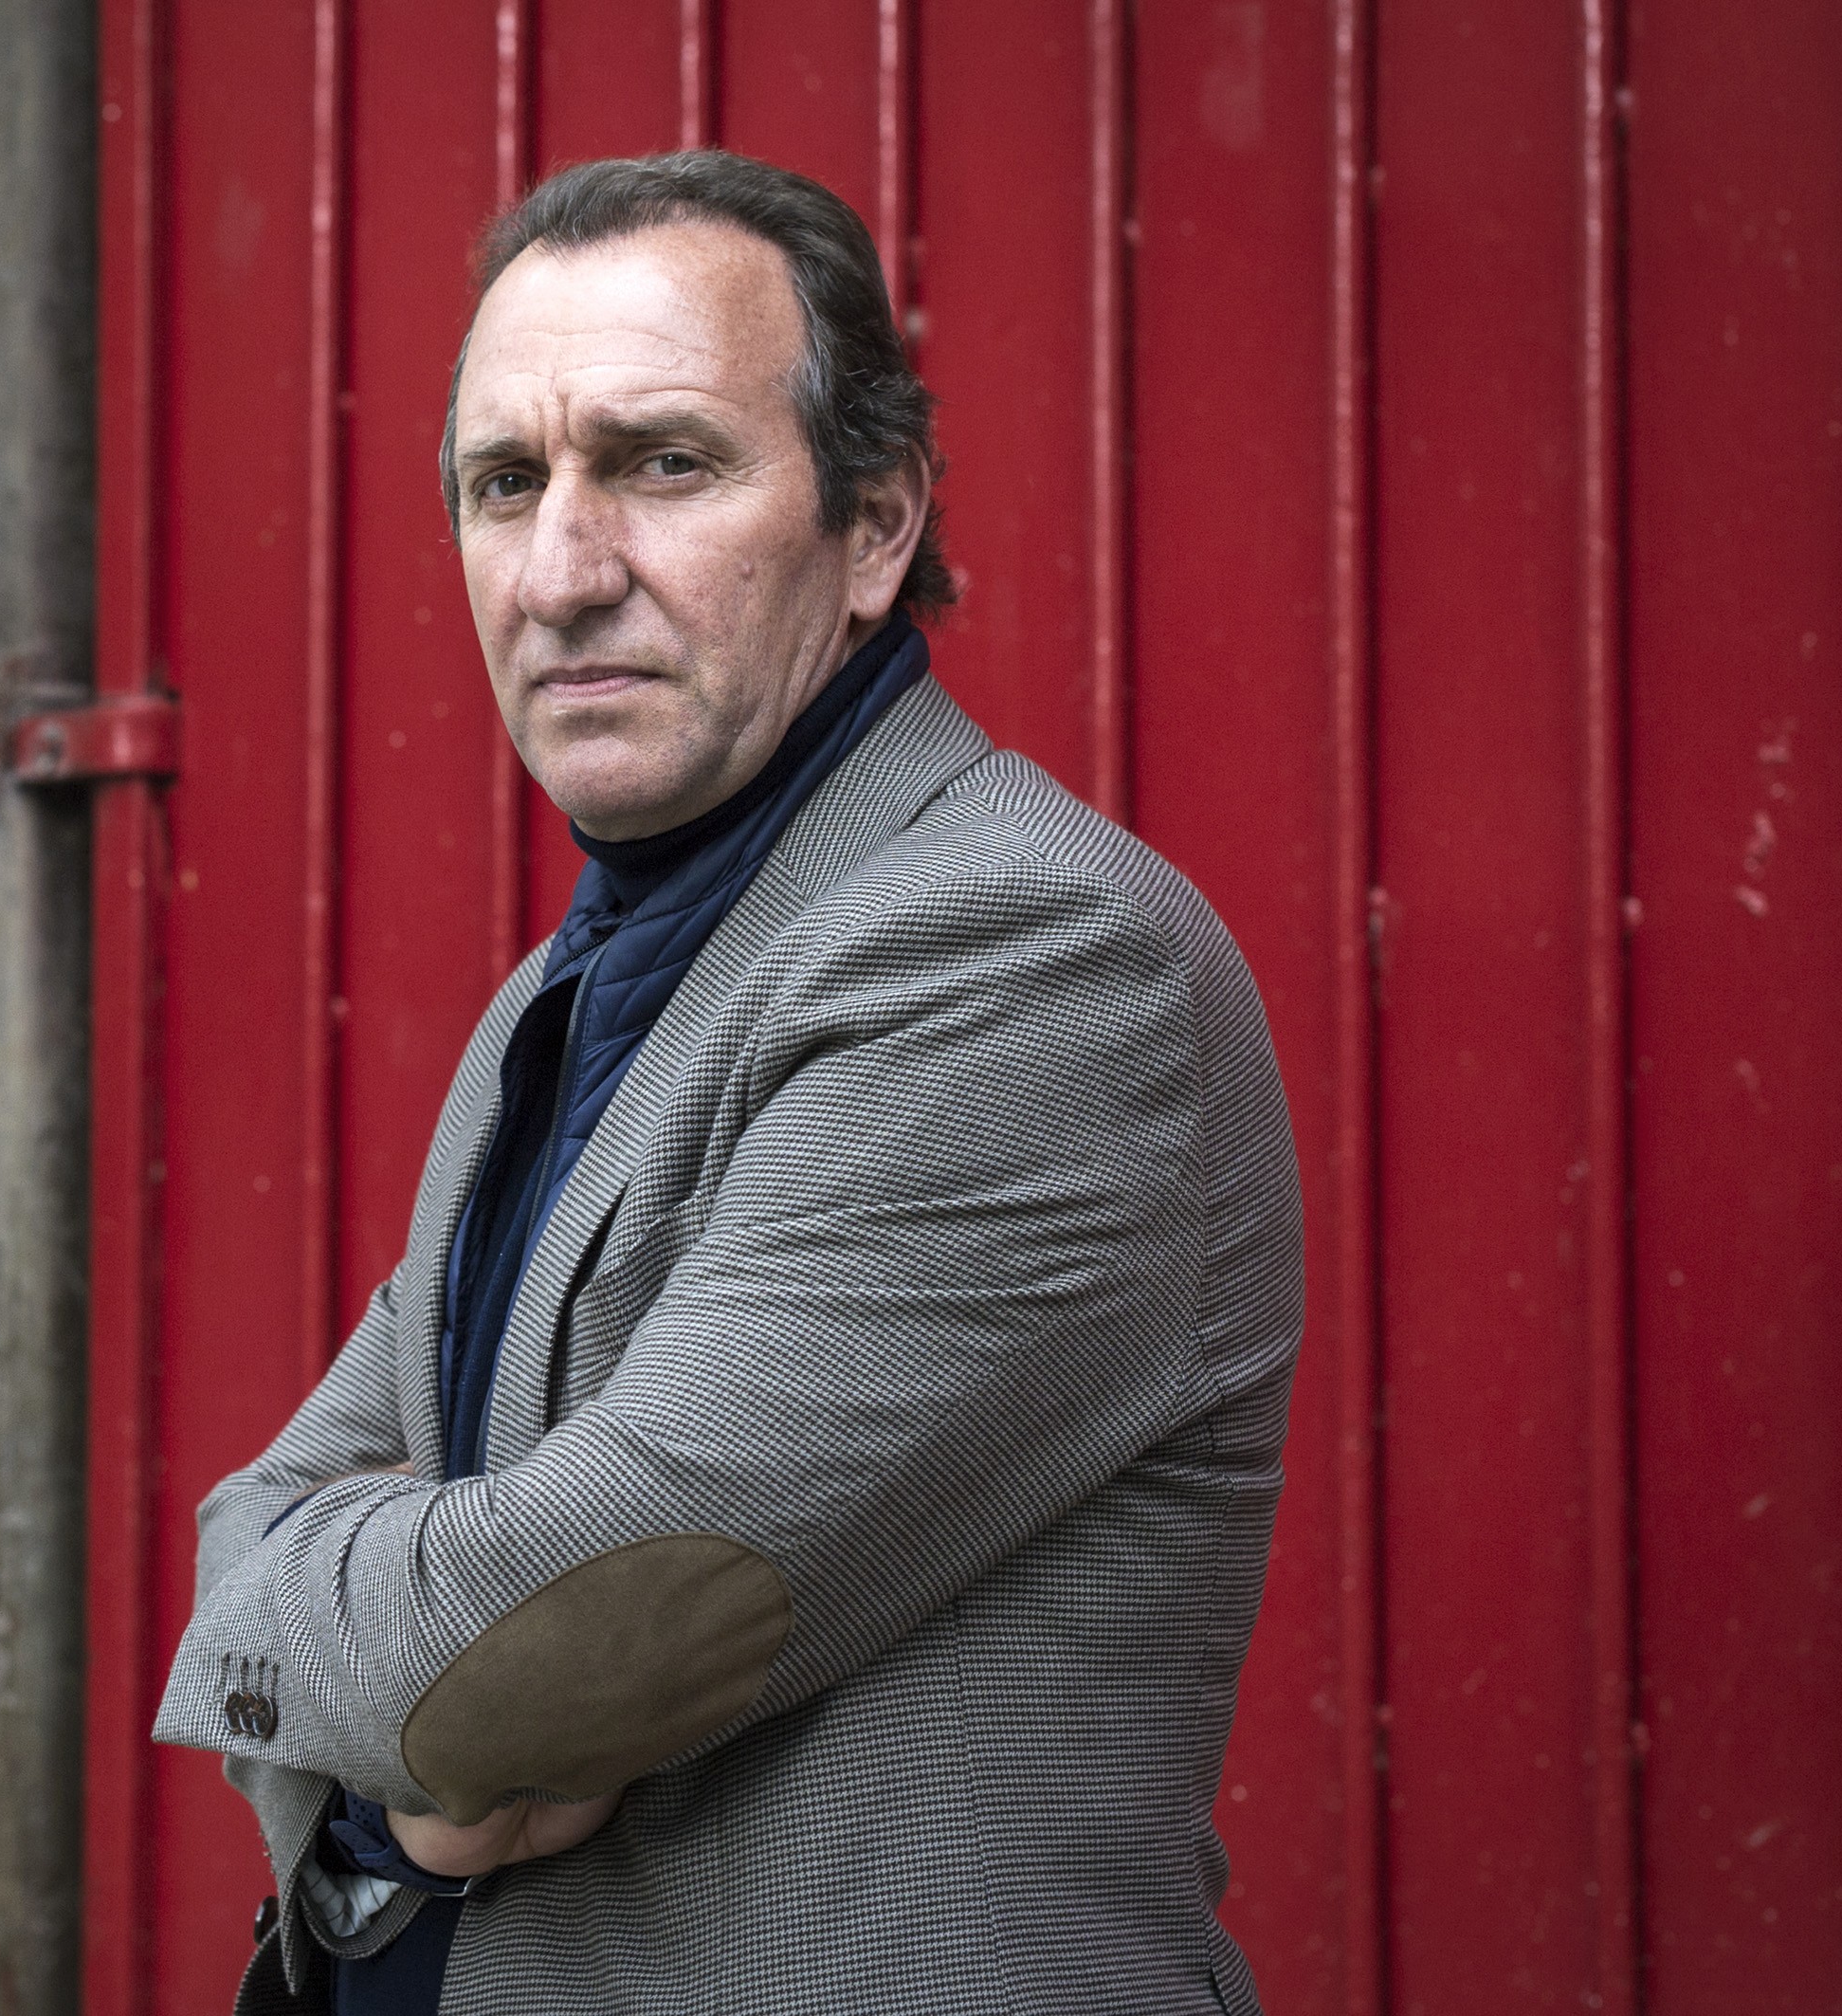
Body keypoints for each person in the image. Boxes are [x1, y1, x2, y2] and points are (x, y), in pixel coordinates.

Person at [152, 150, 1301, 2016]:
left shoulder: (1019, 955)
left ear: (870, 525)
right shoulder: (578, 987)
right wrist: (390, 1757)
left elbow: (556, 1632)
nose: (560, 568)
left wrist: (393, 1658)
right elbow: (252, 1522)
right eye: (502, 483)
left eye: (660, 462)